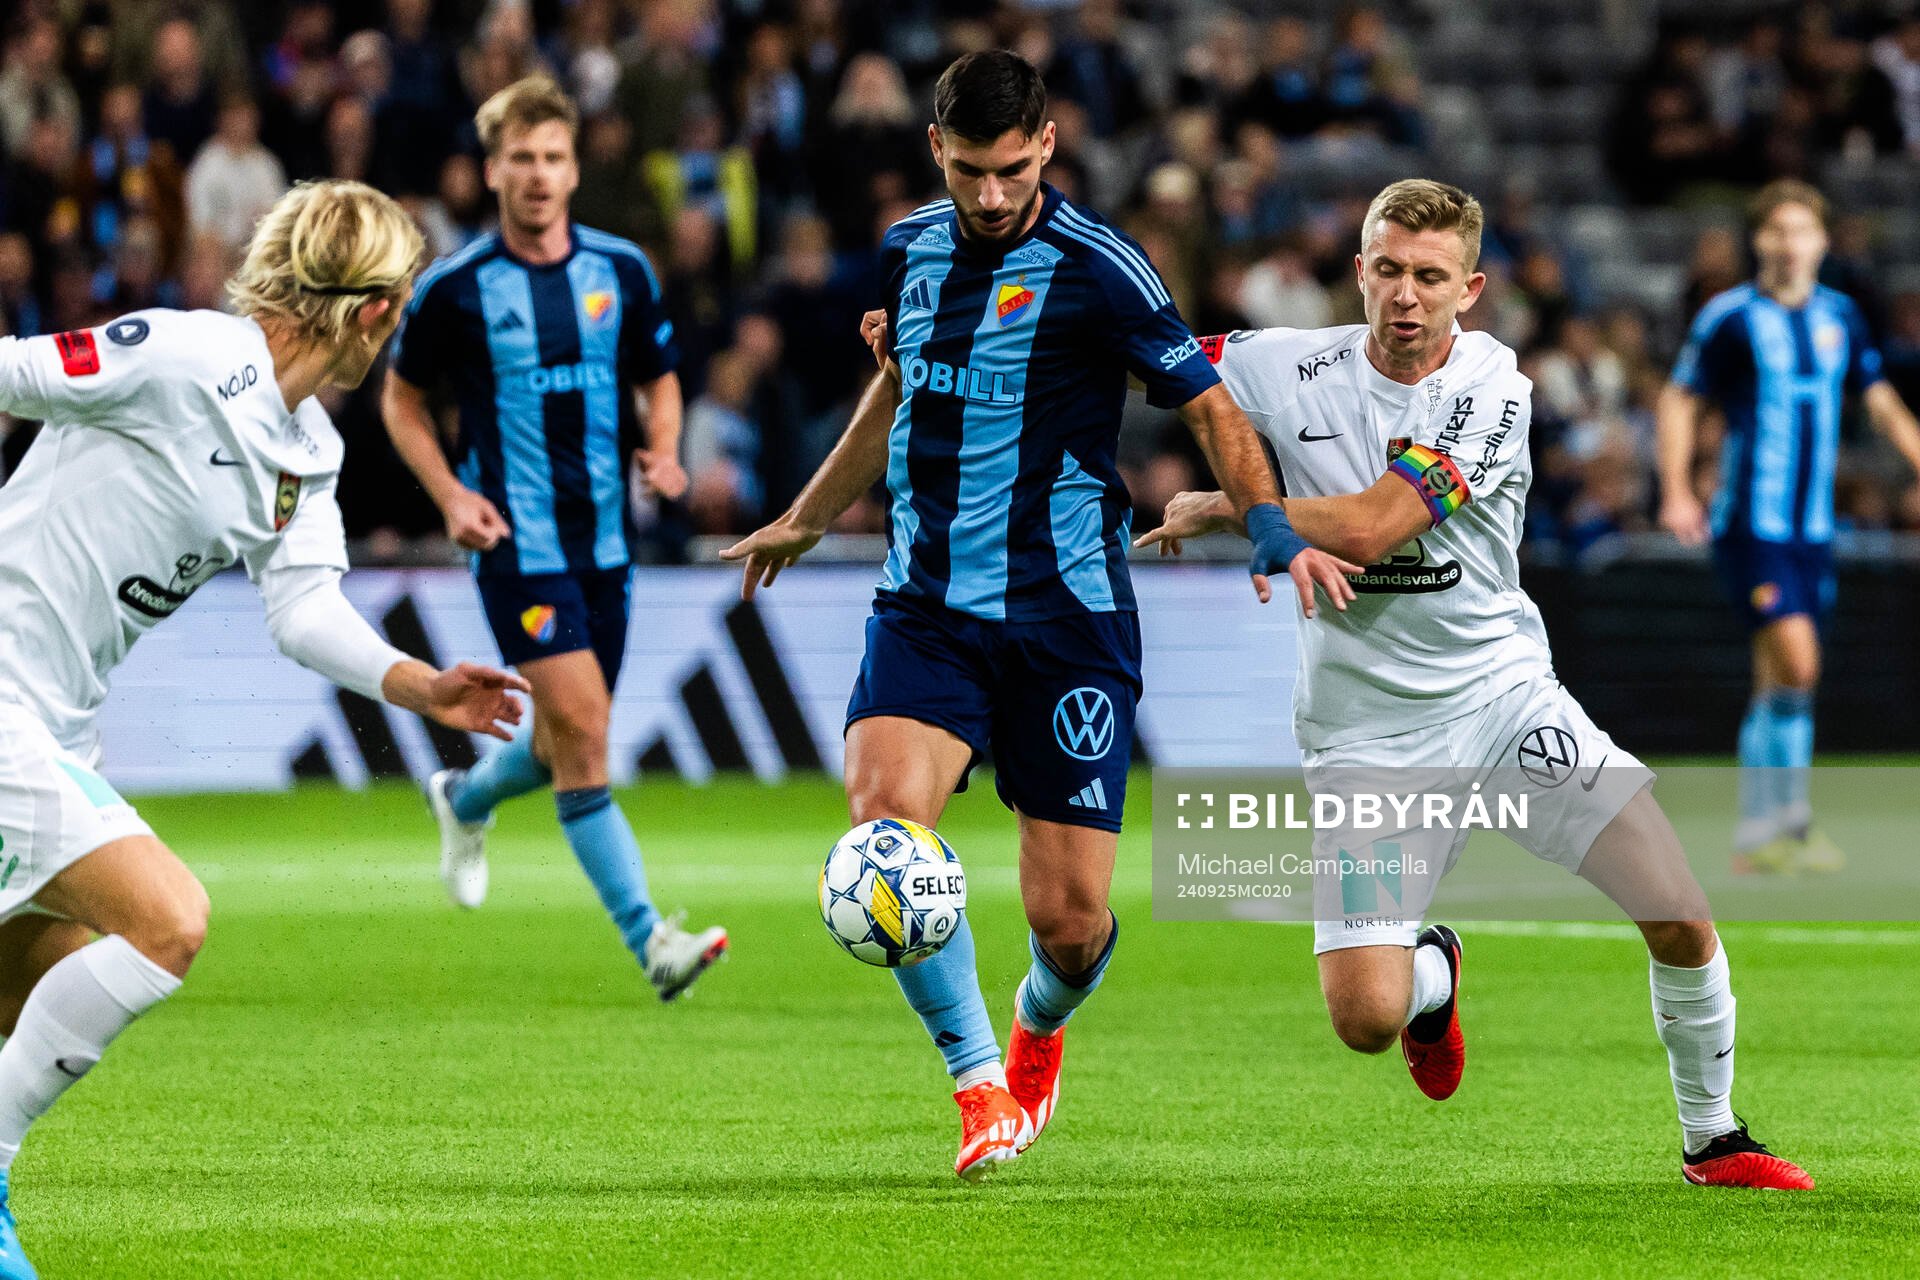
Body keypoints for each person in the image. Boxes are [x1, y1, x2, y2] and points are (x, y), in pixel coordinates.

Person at [724, 51, 1349, 1182]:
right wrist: (810, 513)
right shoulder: (910, 246)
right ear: (938, 153)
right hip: (927, 605)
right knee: (882, 835)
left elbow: (1210, 409)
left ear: (1048, 146)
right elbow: (899, 387)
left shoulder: (1103, 269)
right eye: (971, 171)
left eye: (1013, 169)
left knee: (1069, 921)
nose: (994, 194)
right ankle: (977, 1086)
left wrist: (1268, 526)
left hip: (1067, 618)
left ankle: (1038, 1026)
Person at [1134, 179, 1814, 1191]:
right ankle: (1435, 971)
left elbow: (1370, 528)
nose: (1406, 296)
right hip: (1363, 734)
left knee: (1676, 908)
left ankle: (1713, 1137)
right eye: (1389, 271)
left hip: (1502, 702)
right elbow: (1157, 356)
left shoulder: (1493, 391)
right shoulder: (1289, 363)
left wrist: (1231, 506)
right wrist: (958, 334)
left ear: (1472, 289)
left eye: (1431, 278)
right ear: (1359, 271)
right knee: (1366, 1017)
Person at [0, 179, 531, 1279]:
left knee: (37, 977)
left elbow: (302, 609)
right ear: (374, 305)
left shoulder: (306, 449)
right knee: (167, 923)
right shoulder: (186, 354)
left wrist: (423, 686)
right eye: (402, 303)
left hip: (58, 720)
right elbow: (14, 375)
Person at [381, 77, 727, 1002]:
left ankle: (462, 798)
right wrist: (451, 493)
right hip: (514, 546)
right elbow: (400, 398)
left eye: (553, 158)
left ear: (575, 169)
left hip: (606, 547)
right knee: (586, 735)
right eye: (520, 159)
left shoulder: (621, 271)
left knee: (560, 743)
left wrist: (661, 449)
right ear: (492, 171)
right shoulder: (456, 288)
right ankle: (652, 939)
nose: (537, 176)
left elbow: (661, 377)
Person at [1656, 180, 1920, 872]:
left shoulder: (1841, 317)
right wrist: (1678, 489)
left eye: (1802, 230)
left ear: (1823, 242)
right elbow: (1679, 400)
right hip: (1752, 524)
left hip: (1813, 530)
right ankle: (1791, 826)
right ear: (1758, 242)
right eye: (1776, 230)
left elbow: (1881, 400)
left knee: (1779, 680)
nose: (1788, 243)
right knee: (1799, 663)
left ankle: (1759, 838)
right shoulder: (1731, 317)